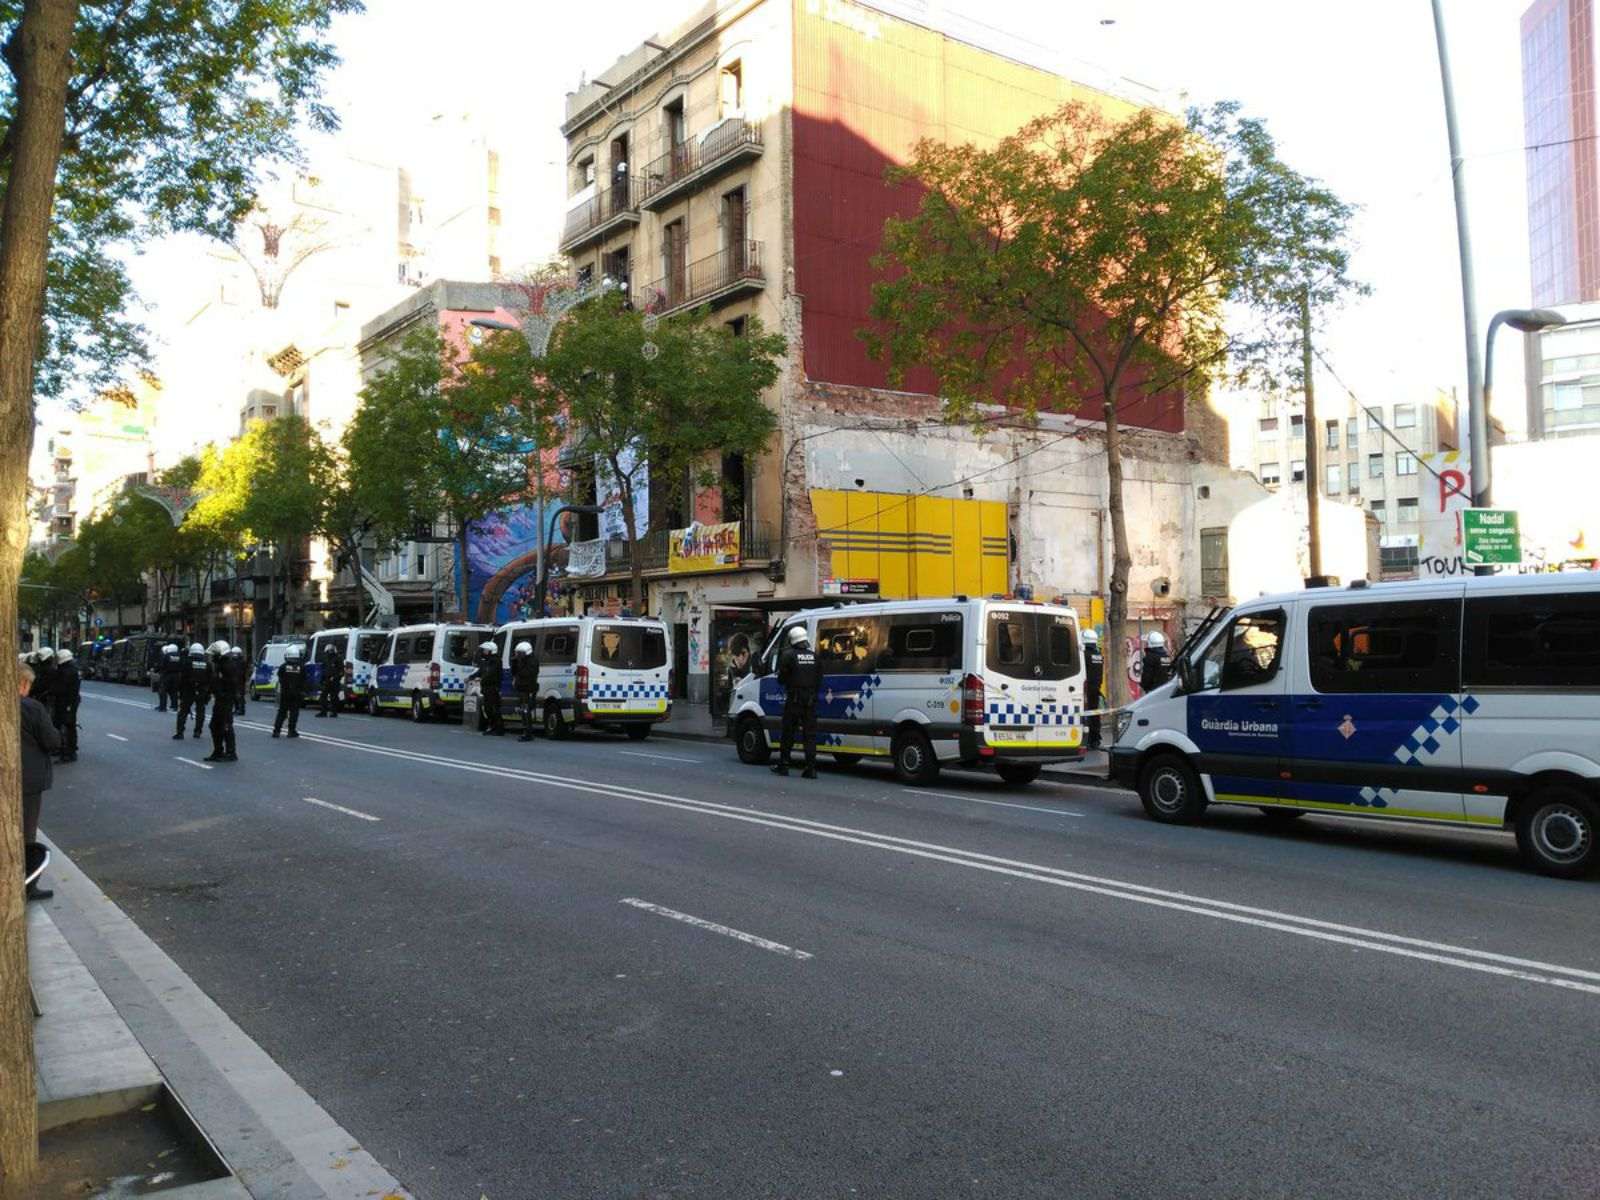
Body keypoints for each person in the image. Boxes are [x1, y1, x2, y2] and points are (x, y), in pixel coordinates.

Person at [19, 662, 60, 901]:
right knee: (26, 835)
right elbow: (52, 741)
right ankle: (28, 885)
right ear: (23, 683)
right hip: (28, 781)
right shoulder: (32, 708)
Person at [771, 624, 819, 779]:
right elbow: (819, 679)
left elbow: (781, 679)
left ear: (792, 640)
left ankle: (784, 765)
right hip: (810, 701)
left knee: (788, 733)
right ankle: (811, 769)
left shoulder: (788, 655)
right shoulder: (814, 656)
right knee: (809, 735)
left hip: (794, 700)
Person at [205, 640, 238, 763]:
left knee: (226, 726)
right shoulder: (220, 665)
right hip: (220, 700)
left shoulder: (228, 666)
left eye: (214, 654)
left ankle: (231, 753)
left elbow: (231, 684)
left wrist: (223, 694)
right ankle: (218, 751)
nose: (212, 656)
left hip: (225, 701)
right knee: (215, 725)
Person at [51, 647, 81, 763]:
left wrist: (52, 690)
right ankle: (68, 750)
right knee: (69, 725)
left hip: (66, 702)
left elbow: (60, 688)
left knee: (66, 725)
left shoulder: (66, 671)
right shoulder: (73, 669)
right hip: (71, 702)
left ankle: (68, 752)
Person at [175, 642, 210, 740]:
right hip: (201, 691)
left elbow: (182, 678)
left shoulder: (187, 662)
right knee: (200, 712)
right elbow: (210, 679)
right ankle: (198, 732)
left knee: (183, 712)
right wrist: (208, 693)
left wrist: (180, 692)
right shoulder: (207, 663)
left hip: (188, 690)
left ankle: (180, 732)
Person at [272, 643, 306, 738]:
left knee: (282, 712)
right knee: (294, 712)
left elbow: (280, 679)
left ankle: (276, 731)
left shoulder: (283, 667)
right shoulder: (301, 667)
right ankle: (291, 731)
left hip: (285, 693)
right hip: (296, 694)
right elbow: (304, 680)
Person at [511, 640, 539, 742]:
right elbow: (514, 672)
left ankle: (528, 733)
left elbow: (526, 673)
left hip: (529, 688)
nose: (518, 655)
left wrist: (518, 665)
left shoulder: (532, 661)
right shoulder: (521, 660)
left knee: (526, 710)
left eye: (520, 653)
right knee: (523, 710)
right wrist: (514, 662)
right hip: (522, 688)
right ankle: (525, 730)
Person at [1082, 627, 1105, 749]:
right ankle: (1095, 738)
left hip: (1085, 690)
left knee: (1086, 714)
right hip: (1096, 688)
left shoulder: (1084, 655)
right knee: (1095, 714)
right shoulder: (1099, 655)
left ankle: (1088, 738)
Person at [476, 642, 505, 735]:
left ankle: (498, 728)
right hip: (487, 688)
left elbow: (489, 673)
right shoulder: (486, 661)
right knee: (488, 709)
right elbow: (481, 671)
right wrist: (471, 677)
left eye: (485, 650)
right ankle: (492, 726)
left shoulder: (495, 661)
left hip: (492, 688)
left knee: (493, 709)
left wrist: (483, 678)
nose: (484, 652)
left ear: (490, 651)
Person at [315, 640, 342, 718]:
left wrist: (335, 677)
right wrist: (322, 679)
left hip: (334, 682)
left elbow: (341, 672)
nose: (328, 652)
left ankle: (334, 712)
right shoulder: (326, 659)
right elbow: (324, 670)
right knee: (323, 697)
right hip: (327, 681)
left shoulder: (338, 659)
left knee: (334, 697)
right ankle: (323, 712)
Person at [157, 642, 183, 712]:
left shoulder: (167, 655)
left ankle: (163, 707)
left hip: (167, 675)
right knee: (174, 691)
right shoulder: (180, 656)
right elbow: (182, 665)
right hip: (177, 675)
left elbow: (162, 665)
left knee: (163, 691)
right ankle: (175, 706)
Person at [229, 645, 248, 715]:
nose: (234, 655)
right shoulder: (232, 661)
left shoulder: (242, 662)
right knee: (235, 696)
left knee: (240, 696)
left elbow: (243, 672)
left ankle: (241, 710)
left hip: (240, 681)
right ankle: (237, 708)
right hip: (235, 680)